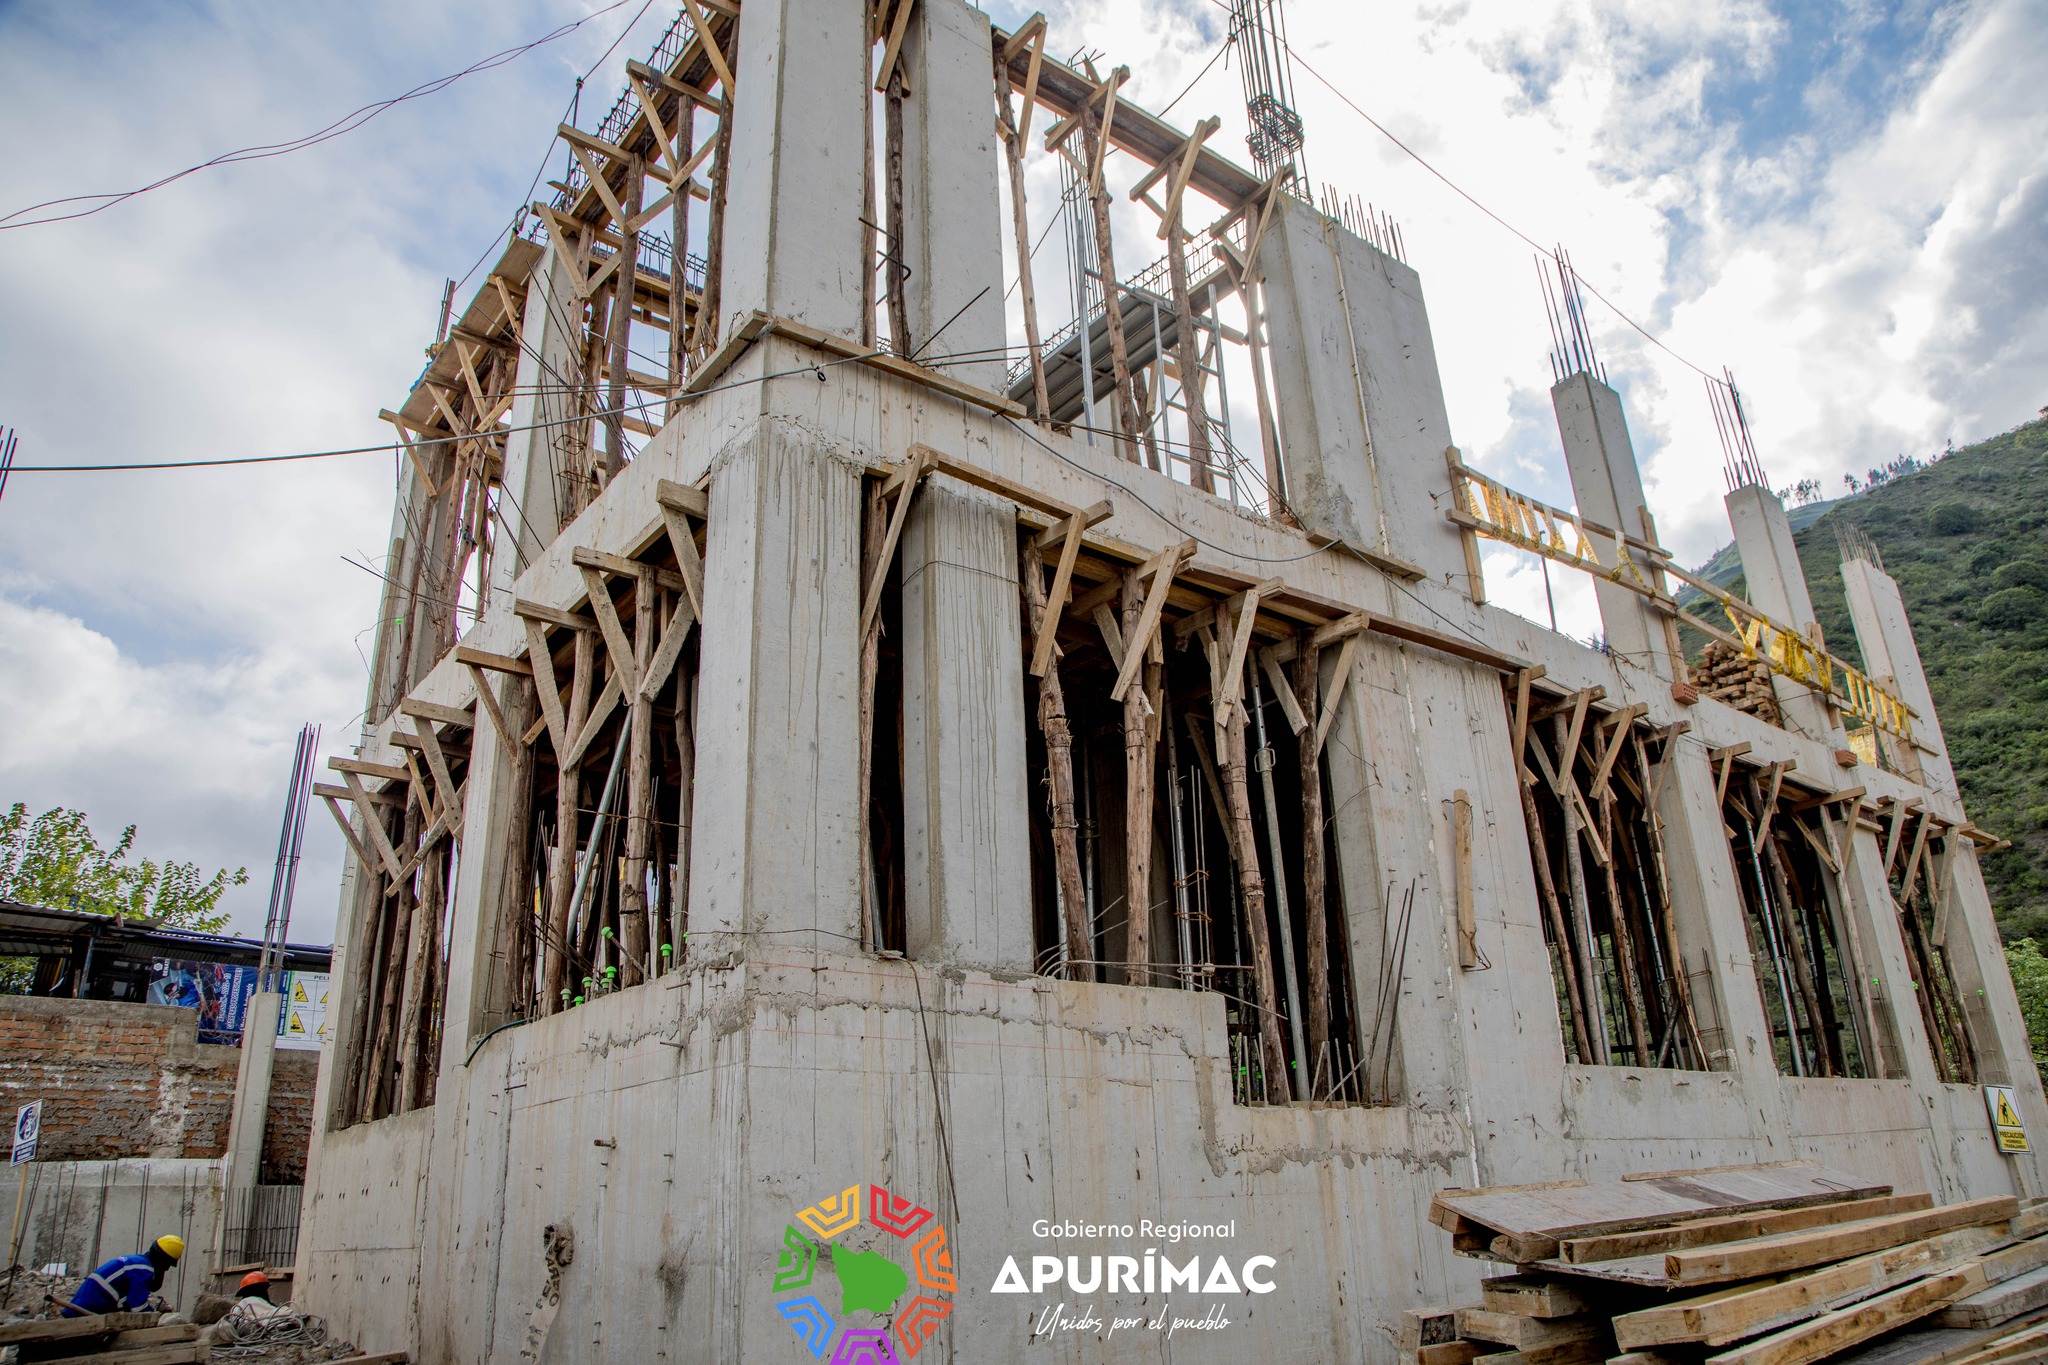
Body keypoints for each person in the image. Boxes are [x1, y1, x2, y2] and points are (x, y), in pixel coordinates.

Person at [64, 1234, 183, 1315]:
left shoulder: (136, 1261)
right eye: (168, 1265)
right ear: (163, 1261)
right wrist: (156, 1317)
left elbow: (129, 1301)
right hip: (90, 1308)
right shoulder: (143, 1269)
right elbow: (138, 1307)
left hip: (82, 1306)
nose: (166, 1269)